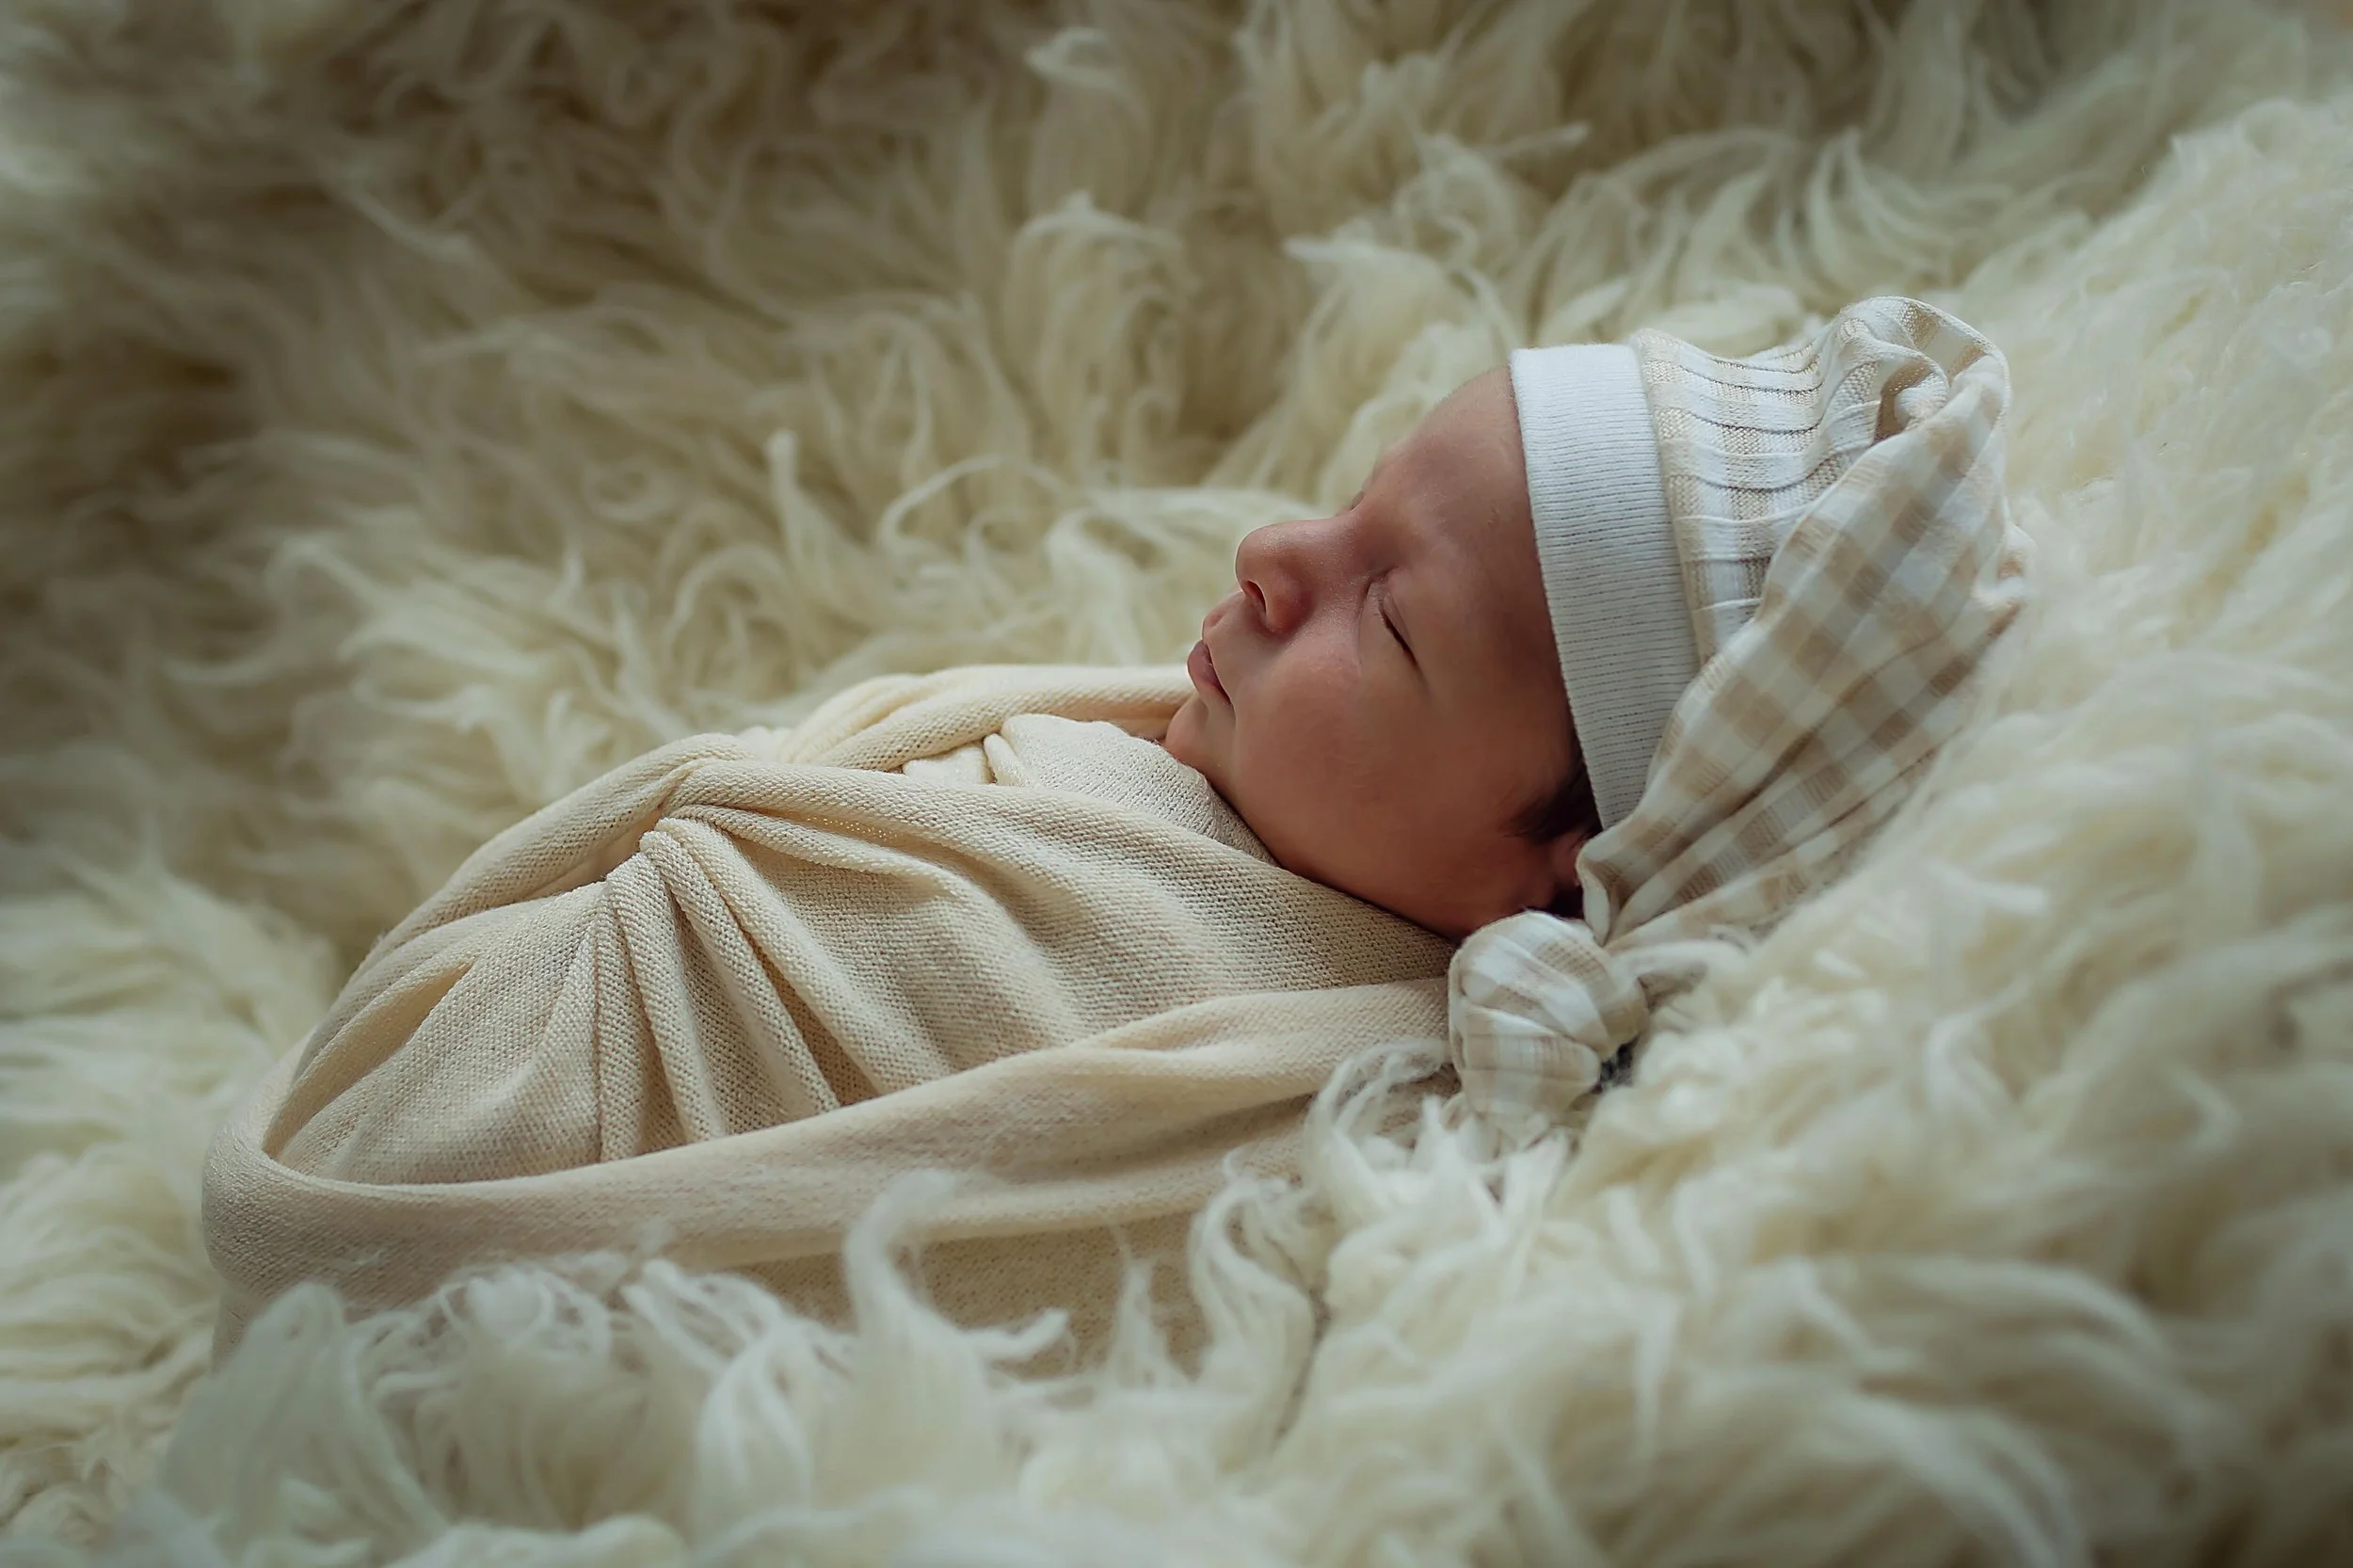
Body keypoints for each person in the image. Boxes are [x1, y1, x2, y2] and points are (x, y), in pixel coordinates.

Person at [202, 297, 2031, 1357]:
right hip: (469, 1050)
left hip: (473, 1239)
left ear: (1541, 862)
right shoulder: (1149, 750)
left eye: (1384, 617)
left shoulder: (1323, 1092)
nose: (1275, 558)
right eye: (1345, 511)